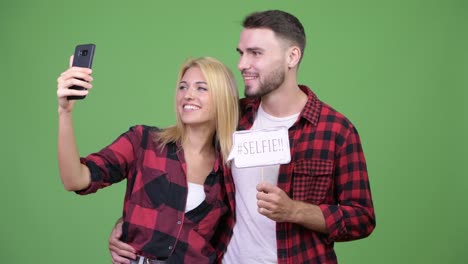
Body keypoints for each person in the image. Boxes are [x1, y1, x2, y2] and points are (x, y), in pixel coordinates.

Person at [109, 9, 376, 263]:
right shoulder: (230, 116)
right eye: (241, 53)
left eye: (255, 53)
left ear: (292, 57)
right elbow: (175, 173)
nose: (241, 64)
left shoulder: (336, 131)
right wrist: (129, 226)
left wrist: (294, 210)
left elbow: (362, 218)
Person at [56, 56, 239, 264]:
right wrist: (65, 112)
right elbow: (75, 179)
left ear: (223, 98)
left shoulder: (230, 169)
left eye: (201, 88)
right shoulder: (144, 142)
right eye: (182, 87)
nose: (188, 95)